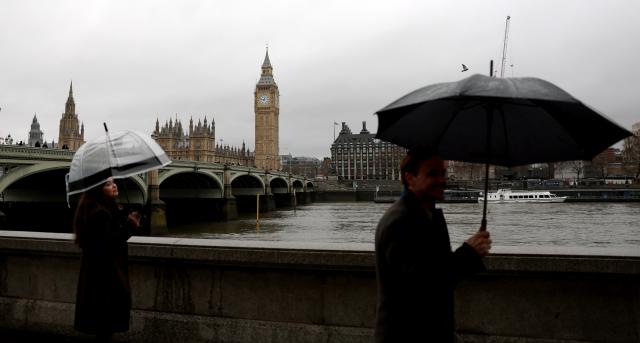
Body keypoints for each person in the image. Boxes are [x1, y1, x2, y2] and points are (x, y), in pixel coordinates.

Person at [374, 152, 492, 343]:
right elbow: (423, 284)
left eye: (443, 173)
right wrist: (469, 253)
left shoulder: (425, 215)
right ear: (409, 178)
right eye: (432, 174)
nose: (441, 180)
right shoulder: (400, 222)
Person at [73, 177, 141, 342]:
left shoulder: (94, 209)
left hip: (97, 277)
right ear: (98, 190)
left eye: (113, 182)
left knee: (103, 329)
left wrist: (125, 216)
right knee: (105, 329)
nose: (114, 185)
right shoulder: (99, 213)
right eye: (108, 184)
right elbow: (110, 244)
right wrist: (130, 227)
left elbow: (107, 234)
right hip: (106, 279)